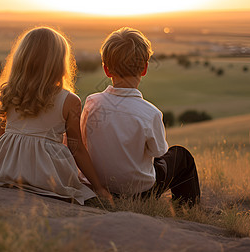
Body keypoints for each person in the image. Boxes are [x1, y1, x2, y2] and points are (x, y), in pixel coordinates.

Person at [0, 27, 112, 205]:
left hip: (7, 170)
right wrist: (99, 187)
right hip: (47, 176)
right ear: (59, 63)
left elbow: (3, 137)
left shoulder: (9, 92)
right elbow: (76, 148)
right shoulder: (69, 100)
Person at [81, 27, 200, 206]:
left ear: (106, 70)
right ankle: (187, 210)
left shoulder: (91, 103)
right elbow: (158, 152)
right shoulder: (150, 113)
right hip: (138, 192)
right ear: (144, 68)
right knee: (181, 156)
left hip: (94, 184)